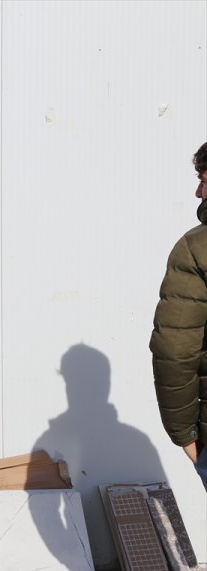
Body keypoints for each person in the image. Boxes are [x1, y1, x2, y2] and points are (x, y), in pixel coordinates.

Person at [150, 141, 207, 490]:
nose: (198, 192)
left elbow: (175, 350)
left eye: (204, 180)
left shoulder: (196, 248)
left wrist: (185, 436)